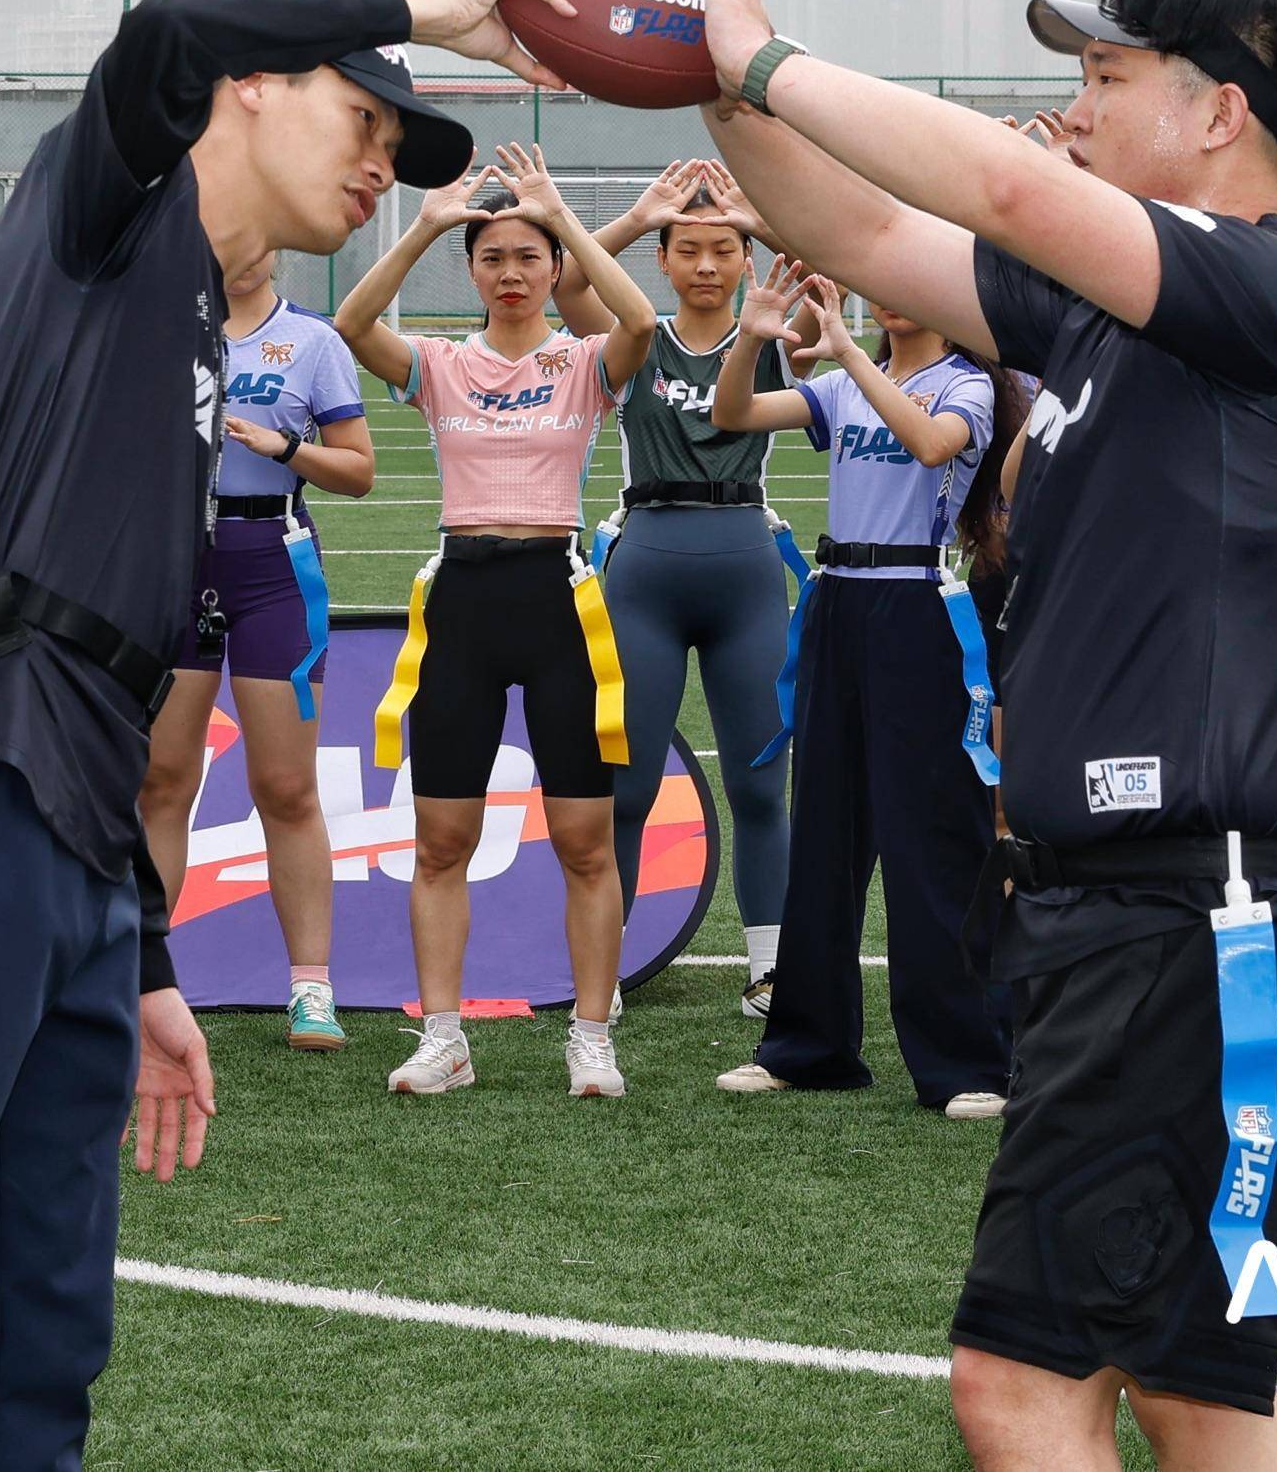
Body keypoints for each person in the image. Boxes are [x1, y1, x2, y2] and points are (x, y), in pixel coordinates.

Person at [0, 0, 585, 1472]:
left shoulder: (208, 326)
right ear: (253, 84)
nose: (379, 162)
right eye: (366, 115)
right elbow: (167, 22)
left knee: (39, 1323)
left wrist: (136, 952)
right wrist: (424, 7)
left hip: (76, 833)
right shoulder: (103, 218)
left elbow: (120, 645)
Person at [689, 0, 1277, 1468]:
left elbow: (999, 181)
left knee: (1027, 1383)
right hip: (1160, 916)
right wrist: (720, 90)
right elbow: (866, 236)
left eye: (1111, 68)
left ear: (1220, 110)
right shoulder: (1115, 305)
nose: (1077, 99)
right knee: (1202, 1388)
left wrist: (768, 50)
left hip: (1192, 919)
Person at [330, 141, 656, 1101]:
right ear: (470, 270)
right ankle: (445, 1037)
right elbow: (354, 321)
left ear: (554, 265)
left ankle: (590, 1037)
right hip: (463, 601)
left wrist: (562, 215)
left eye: (529, 256)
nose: (511, 274)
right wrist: (427, 222)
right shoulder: (438, 363)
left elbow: (640, 316)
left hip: (559, 598)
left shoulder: (587, 358)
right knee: (440, 840)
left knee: (585, 840)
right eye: (492, 258)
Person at [710, 260, 1016, 1114]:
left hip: (919, 606)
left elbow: (930, 443)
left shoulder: (966, 386)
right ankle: (807, 1046)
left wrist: (844, 347)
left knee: (935, 833)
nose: (891, 291)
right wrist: (753, 332)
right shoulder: (846, 385)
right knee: (825, 825)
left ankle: (964, 1060)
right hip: (839, 599)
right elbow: (733, 415)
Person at [565, 157, 800, 1015]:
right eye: (688, 249)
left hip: (745, 563)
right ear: (661, 262)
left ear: (746, 261)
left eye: (725, 249)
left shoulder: (774, 338)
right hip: (647, 567)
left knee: (759, 781)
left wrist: (761, 218)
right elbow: (565, 284)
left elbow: (841, 281)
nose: (706, 265)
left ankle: (769, 967)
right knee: (625, 783)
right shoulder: (635, 336)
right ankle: (609, 967)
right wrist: (634, 216)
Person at [136, 240, 374, 1053]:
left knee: (285, 784)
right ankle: (144, 981)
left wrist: (285, 448)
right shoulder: (156, 333)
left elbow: (360, 472)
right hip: (173, 562)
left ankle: (311, 986)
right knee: (164, 778)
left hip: (273, 561)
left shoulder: (312, 341)